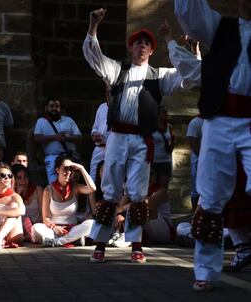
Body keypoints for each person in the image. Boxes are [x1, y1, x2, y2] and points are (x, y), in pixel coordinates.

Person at [83, 10, 199, 264]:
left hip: (141, 141)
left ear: (151, 49)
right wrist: (93, 26)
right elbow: (94, 57)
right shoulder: (118, 70)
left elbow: (191, 77)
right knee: (111, 190)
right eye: (138, 43)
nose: (142, 46)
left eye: (147, 43)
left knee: (137, 192)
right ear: (131, 48)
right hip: (117, 137)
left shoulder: (160, 76)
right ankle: (100, 243)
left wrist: (185, 48)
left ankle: (136, 244)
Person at [175, 0, 251, 291]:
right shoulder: (221, 27)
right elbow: (188, 14)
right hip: (219, 120)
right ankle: (205, 270)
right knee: (210, 195)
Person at [31, 154, 96, 247]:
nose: (69, 172)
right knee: (36, 228)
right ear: (57, 170)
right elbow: (45, 218)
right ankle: (72, 240)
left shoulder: (75, 187)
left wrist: (81, 168)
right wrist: (55, 228)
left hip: (72, 229)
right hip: (53, 230)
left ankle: (58, 242)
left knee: (91, 223)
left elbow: (92, 188)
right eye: (65, 169)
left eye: (71, 169)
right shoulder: (48, 190)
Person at [34, 98, 82, 184]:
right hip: (52, 159)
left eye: (57, 106)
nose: (54, 108)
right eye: (51, 106)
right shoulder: (41, 122)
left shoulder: (68, 120)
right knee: (54, 186)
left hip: (69, 158)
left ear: (60, 108)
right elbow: (37, 138)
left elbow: (79, 137)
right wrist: (55, 137)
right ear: (46, 108)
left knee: (72, 186)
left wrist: (66, 138)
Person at [12, 164, 43, 240]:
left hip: (37, 226)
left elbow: (43, 214)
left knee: (38, 229)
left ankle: (31, 234)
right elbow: (12, 213)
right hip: (20, 228)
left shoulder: (37, 190)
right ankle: (28, 236)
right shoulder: (12, 193)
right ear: (14, 180)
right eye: (19, 178)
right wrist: (18, 195)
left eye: (25, 177)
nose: (23, 181)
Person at [89, 84, 110, 181]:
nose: (107, 94)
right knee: (92, 177)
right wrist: (94, 134)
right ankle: (91, 196)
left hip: (112, 149)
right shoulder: (101, 107)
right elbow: (95, 126)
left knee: (109, 179)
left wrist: (105, 138)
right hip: (98, 148)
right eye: (106, 92)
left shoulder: (121, 109)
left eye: (110, 92)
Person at [151, 105, 175, 189]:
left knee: (163, 188)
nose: (166, 114)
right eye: (164, 112)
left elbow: (170, 148)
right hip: (154, 161)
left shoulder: (169, 127)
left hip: (165, 161)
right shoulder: (151, 127)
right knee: (153, 187)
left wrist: (173, 142)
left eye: (166, 112)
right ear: (157, 115)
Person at [186, 115, 203, 211]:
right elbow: (192, 141)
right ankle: (195, 214)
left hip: (210, 162)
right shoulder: (195, 122)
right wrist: (202, 158)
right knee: (196, 190)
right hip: (198, 162)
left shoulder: (214, 121)